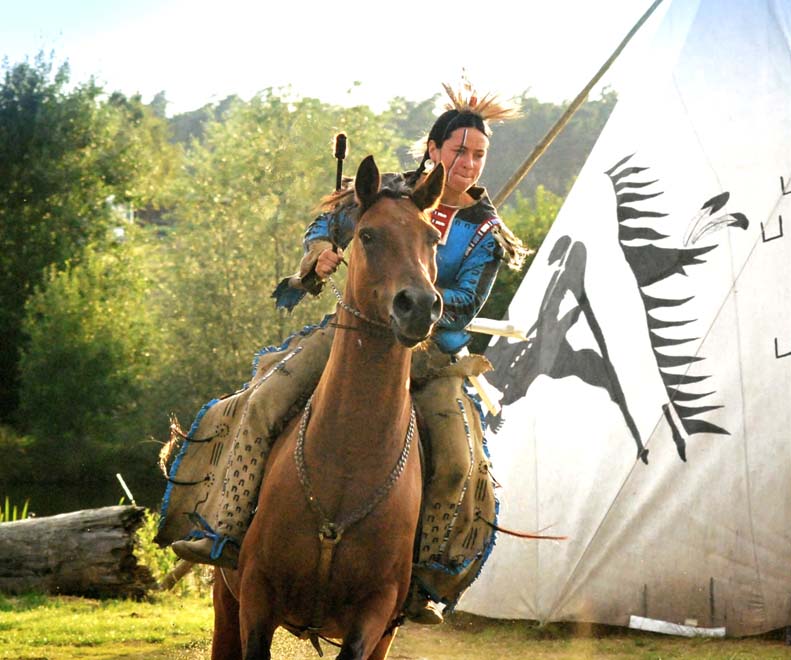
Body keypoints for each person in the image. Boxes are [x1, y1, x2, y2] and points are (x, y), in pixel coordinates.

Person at [167, 83, 528, 624]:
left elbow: (464, 305)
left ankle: (425, 576)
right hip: (351, 336)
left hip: (432, 357)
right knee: (261, 404)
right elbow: (324, 226)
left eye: (479, 154)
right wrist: (319, 253)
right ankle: (227, 529)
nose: (469, 163)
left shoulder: (486, 233)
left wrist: (412, 294)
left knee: (458, 462)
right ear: (433, 150)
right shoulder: (385, 196)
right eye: (459, 151)